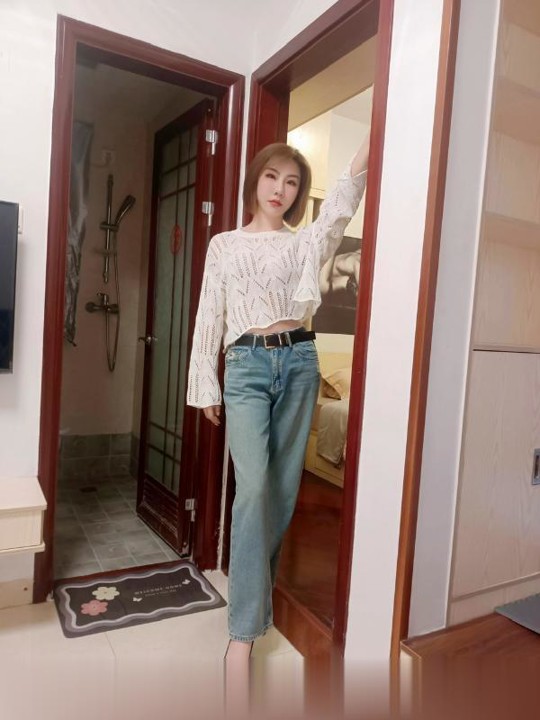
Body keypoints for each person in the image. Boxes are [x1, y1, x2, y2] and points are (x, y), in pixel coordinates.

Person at [186, 135, 369, 665]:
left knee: (283, 492)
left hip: (300, 363)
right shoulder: (224, 245)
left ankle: (252, 607)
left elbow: (340, 206)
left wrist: (368, 143)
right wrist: (205, 382)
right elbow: (209, 314)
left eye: (292, 182)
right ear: (255, 180)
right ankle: (243, 636)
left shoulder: (304, 243)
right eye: (272, 177)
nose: (280, 189)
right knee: (253, 489)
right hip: (245, 366)